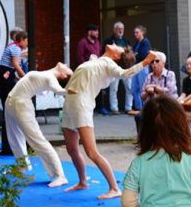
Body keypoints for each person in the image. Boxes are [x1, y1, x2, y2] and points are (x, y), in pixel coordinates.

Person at [62, 43, 160, 198]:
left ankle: (114, 188)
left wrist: (146, 61)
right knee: (71, 149)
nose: (114, 43)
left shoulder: (109, 65)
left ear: (116, 56)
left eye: (118, 47)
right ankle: (82, 182)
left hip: (82, 104)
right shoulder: (97, 60)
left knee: (91, 151)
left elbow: (127, 73)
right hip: (69, 103)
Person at [4, 62, 73, 188]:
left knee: (37, 140)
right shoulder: (47, 73)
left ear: (63, 75)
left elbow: (59, 90)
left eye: (67, 69)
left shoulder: (51, 78)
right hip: (11, 101)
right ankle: (21, 166)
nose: (65, 65)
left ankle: (60, 175)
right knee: (14, 137)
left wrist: (73, 89)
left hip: (22, 105)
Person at [0, 30, 27, 155]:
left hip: (5, 76)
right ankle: (9, 145)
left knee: (9, 108)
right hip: (4, 78)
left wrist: (19, 78)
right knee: (9, 108)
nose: (27, 44)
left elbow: (12, 69)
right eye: (27, 41)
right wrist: (27, 78)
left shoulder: (12, 46)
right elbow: (16, 65)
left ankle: (11, 143)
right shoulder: (16, 49)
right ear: (22, 39)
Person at [134, 53, 178, 134]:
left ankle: (161, 140)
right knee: (138, 116)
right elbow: (142, 97)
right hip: (153, 106)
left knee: (159, 118)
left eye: (157, 61)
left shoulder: (170, 74)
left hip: (167, 106)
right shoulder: (149, 76)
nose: (154, 64)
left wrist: (154, 87)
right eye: (152, 62)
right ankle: (142, 141)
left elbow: (169, 92)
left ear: (163, 63)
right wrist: (147, 91)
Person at [103, 22, 132, 115]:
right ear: (114, 29)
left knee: (129, 88)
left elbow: (131, 53)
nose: (120, 30)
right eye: (119, 28)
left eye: (122, 29)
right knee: (113, 89)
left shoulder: (127, 41)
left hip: (126, 68)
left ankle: (128, 107)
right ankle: (114, 108)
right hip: (114, 68)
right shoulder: (109, 41)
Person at [130, 25, 152, 111]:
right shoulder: (137, 43)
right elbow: (133, 54)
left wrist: (135, 55)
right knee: (134, 88)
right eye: (134, 32)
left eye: (137, 32)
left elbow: (143, 55)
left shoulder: (145, 42)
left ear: (142, 32)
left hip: (142, 67)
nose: (135, 34)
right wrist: (135, 55)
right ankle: (139, 107)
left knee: (143, 87)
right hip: (135, 67)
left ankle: (145, 107)